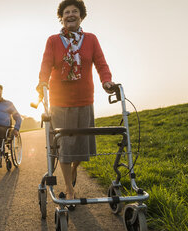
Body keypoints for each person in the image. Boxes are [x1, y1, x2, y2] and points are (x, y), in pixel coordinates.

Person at [36, 0, 116, 201]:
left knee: (80, 149)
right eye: (66, 12)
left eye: (74, 11)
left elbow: (101, 63)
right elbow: (46, 64)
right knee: (64, 147)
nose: (70, 14)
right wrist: (42, 82)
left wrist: (107, 81)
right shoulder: (53, 40)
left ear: (81, 16)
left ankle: (73, 171)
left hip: (84, 100)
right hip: (60, 102)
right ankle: (69, 191)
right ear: (61, 17)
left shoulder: (91, 39)